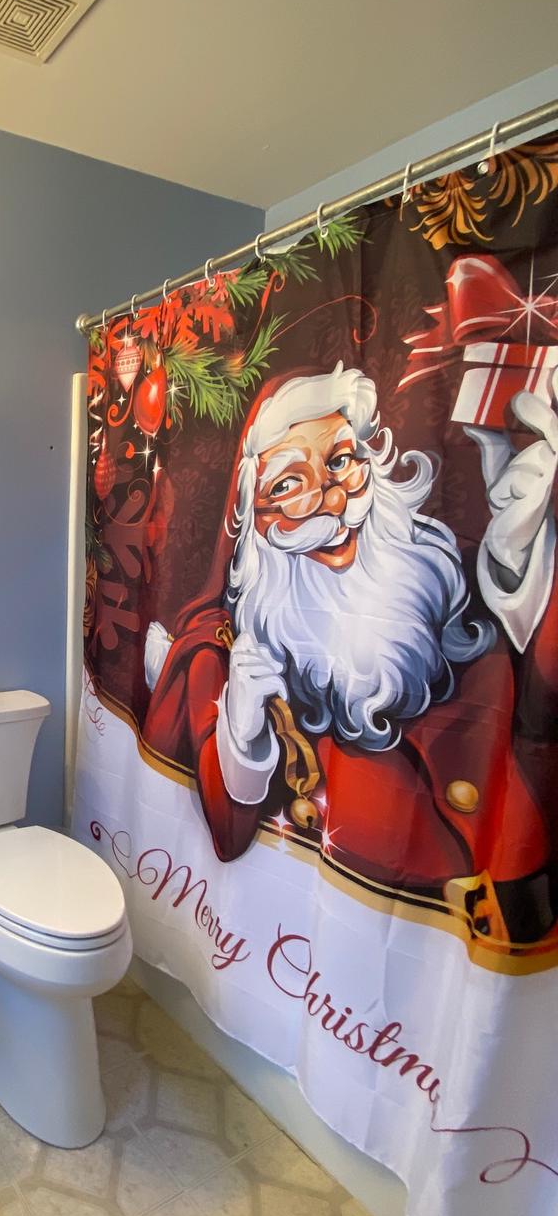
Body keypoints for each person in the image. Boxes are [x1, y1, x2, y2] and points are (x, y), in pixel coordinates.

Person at [141, 360, 558, 947]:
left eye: (340, 461)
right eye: (288, 485)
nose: (331, 499)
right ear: (251, 521)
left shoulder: (449, 580)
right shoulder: (229, 653)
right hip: (341, 942)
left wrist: (523, 561)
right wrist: (242, 731)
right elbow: (227, 838)